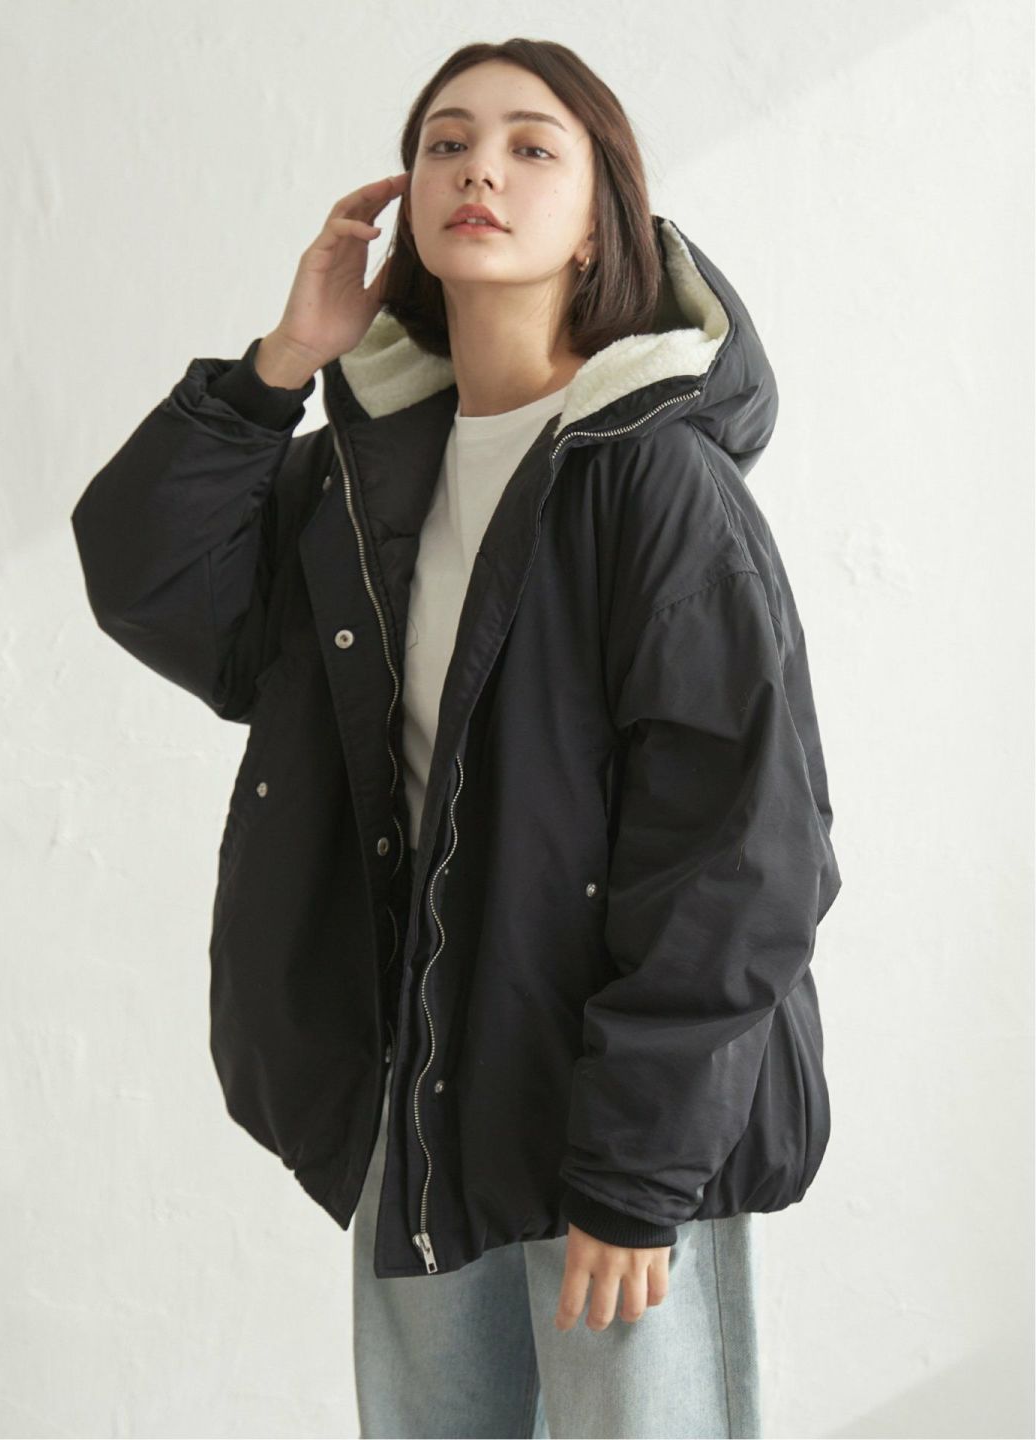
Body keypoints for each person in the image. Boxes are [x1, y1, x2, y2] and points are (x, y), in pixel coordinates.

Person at [71, 36, 841, 1440]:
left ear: (602, 219)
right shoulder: (362, 483)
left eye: (531, 146)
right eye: (446, 142)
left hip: (612, 1115)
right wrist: (281, 366)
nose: (478, 167)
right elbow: (149, 581)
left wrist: (637, 1177)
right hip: (418, 1102)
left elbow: (744, 853)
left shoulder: (656, 484)